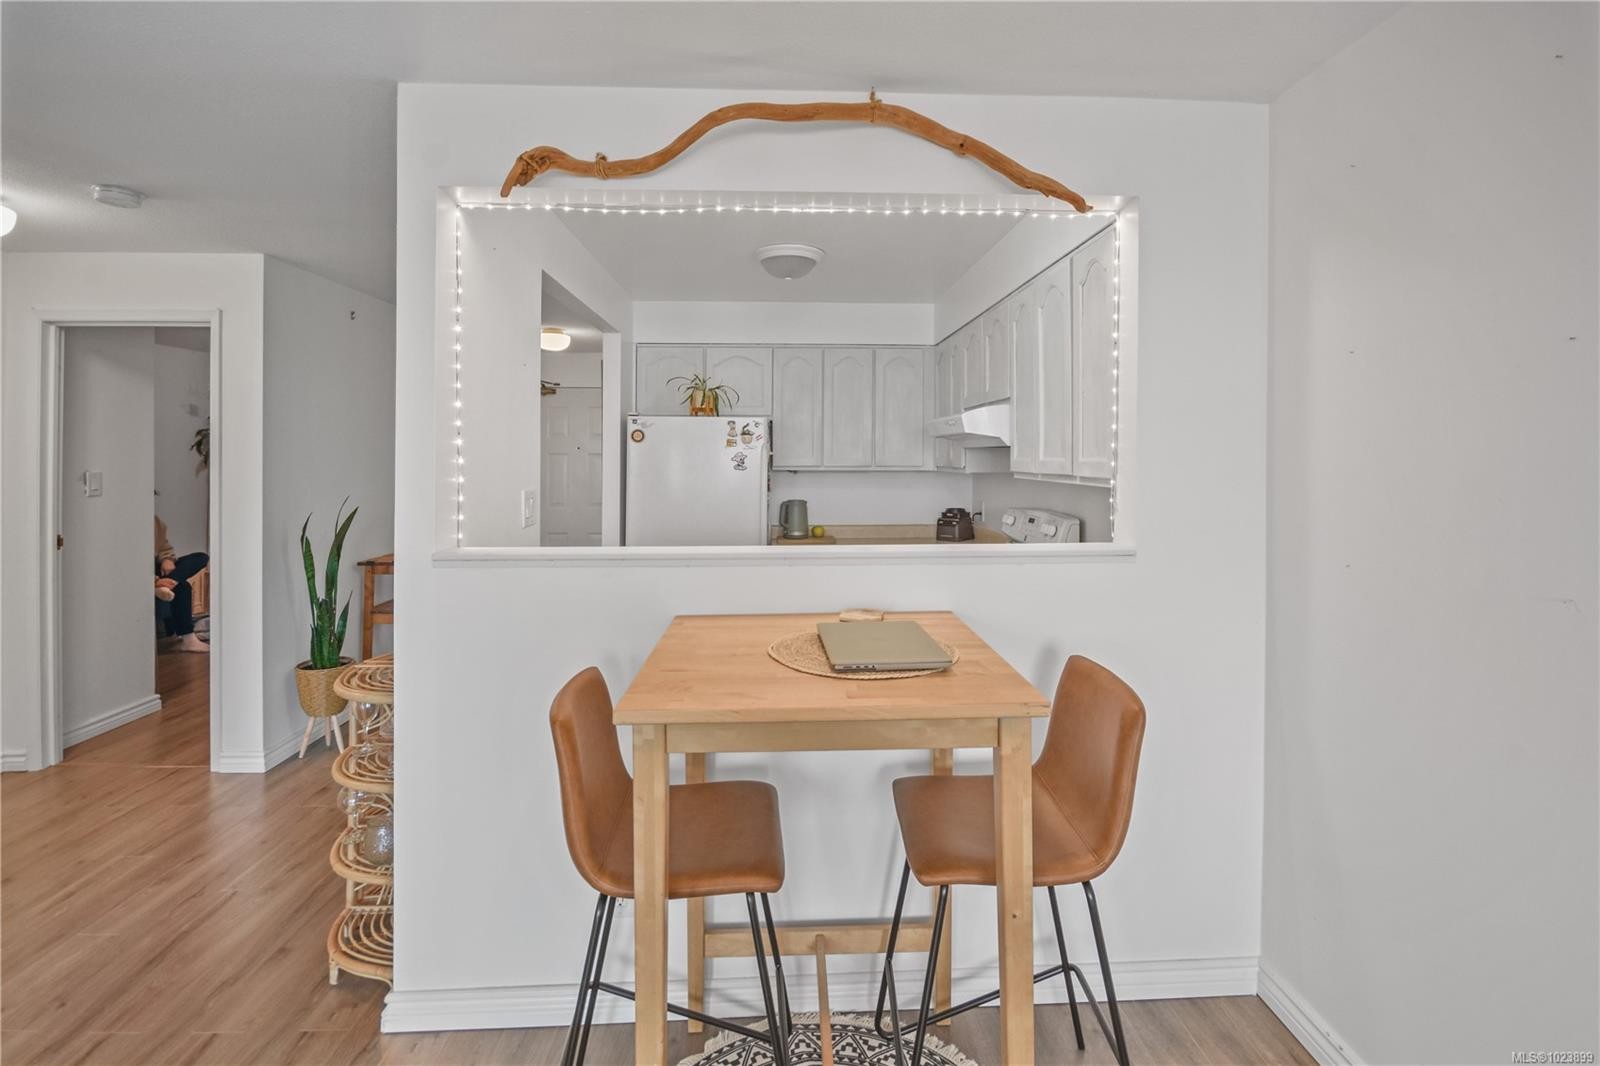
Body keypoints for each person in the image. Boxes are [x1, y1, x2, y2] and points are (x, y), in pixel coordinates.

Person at [155, 516, 209, 652]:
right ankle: (189, 639)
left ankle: (165, 586)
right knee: (183, 586)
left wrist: (167, 559)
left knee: (200, 557)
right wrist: (154, 580)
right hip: (143, 574)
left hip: (158, 567)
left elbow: (164, 547)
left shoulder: (154, 521)